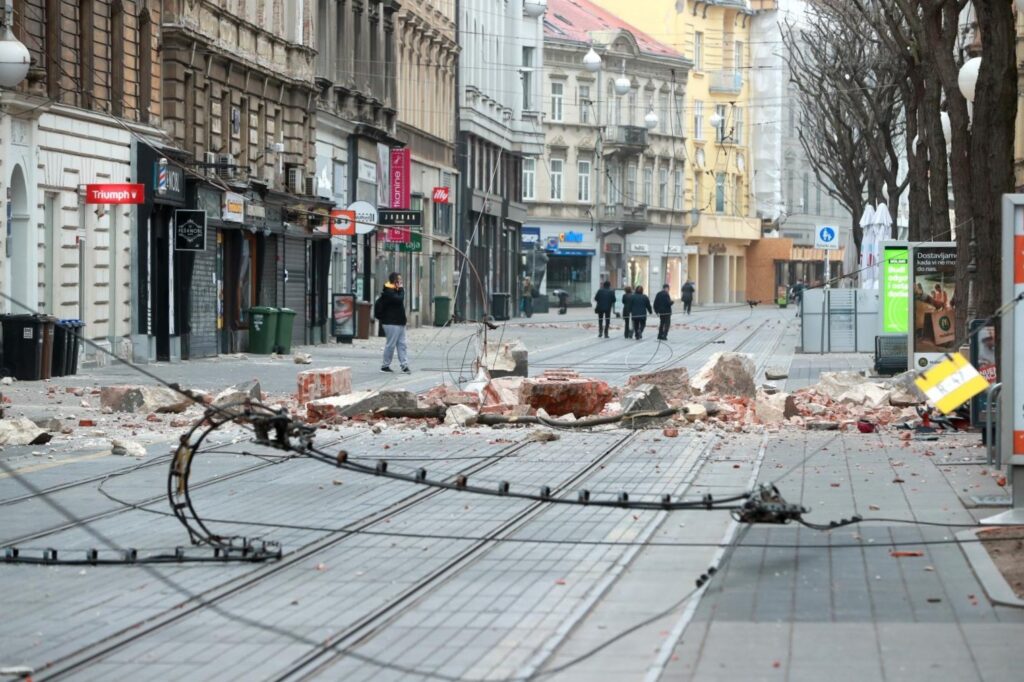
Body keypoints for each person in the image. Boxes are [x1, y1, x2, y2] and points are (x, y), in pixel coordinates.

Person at [374, 272, 409, 373]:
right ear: (395, 281)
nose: (401, 282)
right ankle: (385, 365)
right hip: (391, 322)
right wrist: (402, 289)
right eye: (400, 280)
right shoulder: (388, 292)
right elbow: (399, 300)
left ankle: (404, 365)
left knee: (402, 344)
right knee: (391, 344)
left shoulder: (396, 291)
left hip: (400, 322)